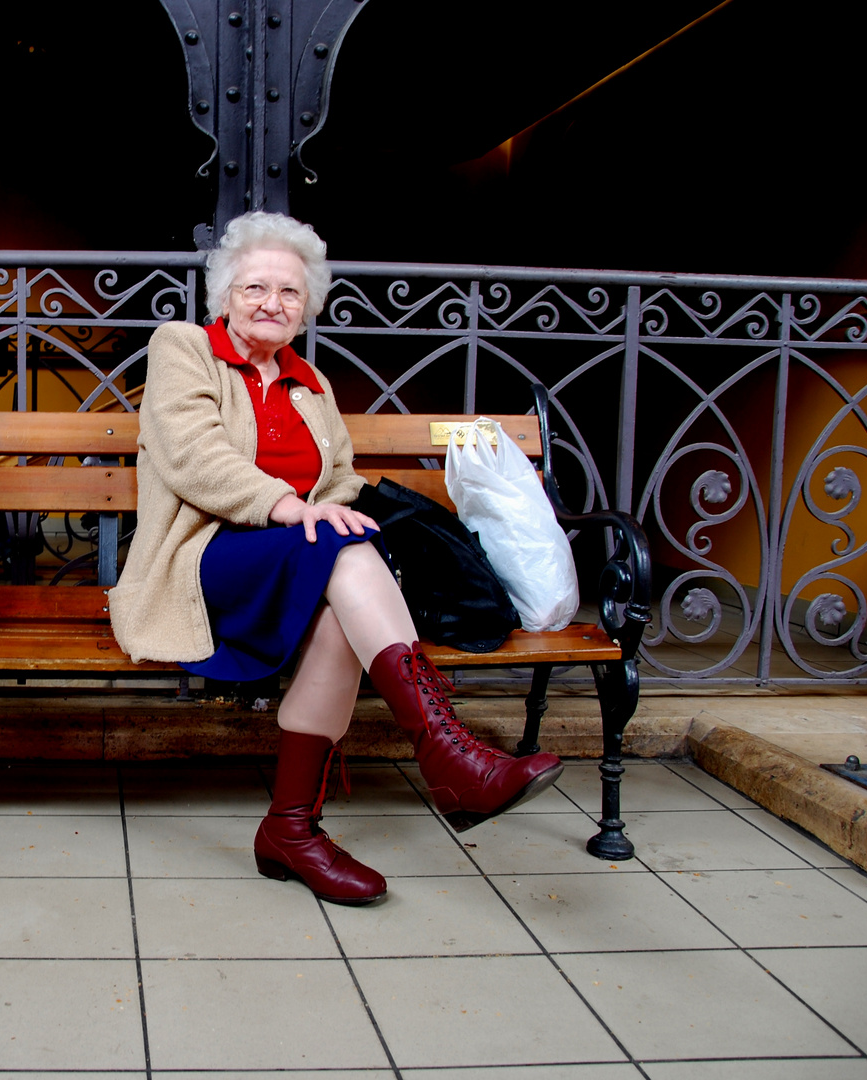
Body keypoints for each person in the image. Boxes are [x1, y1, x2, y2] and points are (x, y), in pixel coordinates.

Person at [108, 212, 563, 905]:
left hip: (294, 561)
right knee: (342, 548)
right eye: (255, 286)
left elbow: (340, 479)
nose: (271, 303)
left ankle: (291, 829)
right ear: (224, 294)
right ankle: (447, 750)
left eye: (289, 293)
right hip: (201, 559)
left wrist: (328, 508)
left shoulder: (309, 383)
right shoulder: (184, 348)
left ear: (307, 305)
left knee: (335, 613)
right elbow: (191, 456)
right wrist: (294, 509)